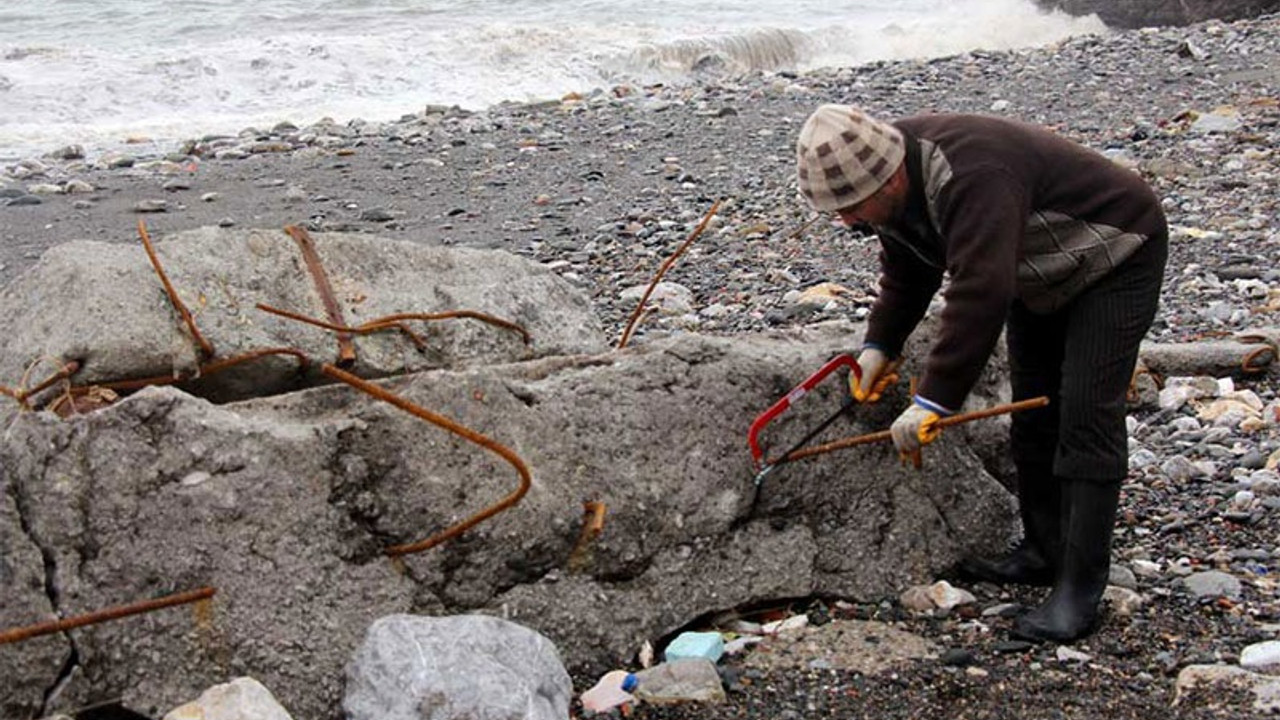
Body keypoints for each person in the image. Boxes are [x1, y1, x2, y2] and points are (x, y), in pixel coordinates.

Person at [795, 104, 1167, 642]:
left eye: (852, 206)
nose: (848, 220)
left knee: (1086, 413)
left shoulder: (972, 174)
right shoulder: (891, 186)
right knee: (1035, 415)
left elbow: (980, 291)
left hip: (1115, 251)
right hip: (1035, 270)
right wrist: (879, 344)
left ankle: (1080, 591)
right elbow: (908, 268)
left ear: (891, 176)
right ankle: (1044, 550)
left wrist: (933, 400)